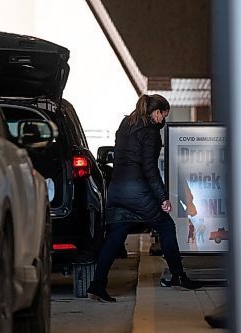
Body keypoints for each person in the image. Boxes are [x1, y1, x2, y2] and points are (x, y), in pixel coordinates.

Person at [87, 94, 203, 302]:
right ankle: (178, 275)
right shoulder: (150, 133)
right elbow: (150, 169)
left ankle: (97, 285)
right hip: (138, 192)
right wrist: (162, 197)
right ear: (156, 112)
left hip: (117, 189)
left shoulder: (126, 123)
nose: (163, 120)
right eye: (163, 115)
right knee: (166, 227)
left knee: (115, 237)